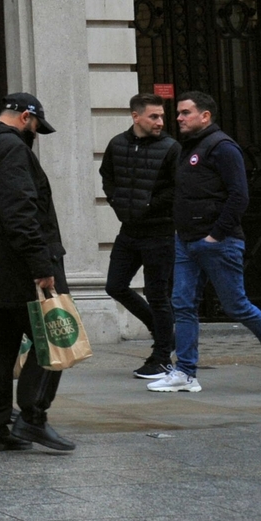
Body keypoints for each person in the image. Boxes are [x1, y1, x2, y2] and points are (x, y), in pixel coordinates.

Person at [149, 90, 261, 396]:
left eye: (185, 113)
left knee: (237, 306)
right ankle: (185, 372)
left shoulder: (222, 147)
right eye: (179, 112)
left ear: (205, 116)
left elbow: (239, 196)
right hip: (186, 241)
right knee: (183, 305)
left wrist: (216, 235)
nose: (178, 118)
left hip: (216, 243)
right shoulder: (190, 148)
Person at [0, 93, 75, 453]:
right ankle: (32, 418)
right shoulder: (11, 149)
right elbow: (20, 211)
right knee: (54, 336)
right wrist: (41, 265)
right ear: (25, 117)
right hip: (18, 264)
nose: (35, 132)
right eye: (36, 125)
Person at [101, 92, 180, 379]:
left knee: (158, 295)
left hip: (160, 232)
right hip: (129, 231)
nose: (160, 121)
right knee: (115, 286)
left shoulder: (171, 148)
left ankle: (161, 356)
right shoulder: (117, 144)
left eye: (161, 116)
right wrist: (117, 201)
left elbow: (177, 187)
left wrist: (149, 204)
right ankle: (166, 335)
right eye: (153, 116)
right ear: (136, 117)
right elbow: (106, 175)